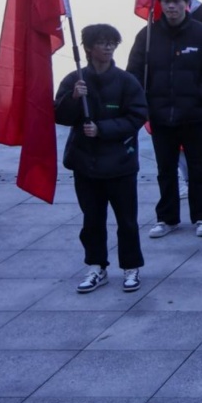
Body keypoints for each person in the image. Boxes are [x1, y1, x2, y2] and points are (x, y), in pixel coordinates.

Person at [126, 0, 202, 239]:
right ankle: (167, 218)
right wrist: (144, 103)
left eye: (177, 1)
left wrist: (200, 95)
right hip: (160, 116)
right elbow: (134, 72)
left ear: (186, 3)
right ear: (160, 4)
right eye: (167, 2)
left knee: (198, 168)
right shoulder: (147, 36)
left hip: (195, 116)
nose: (172, 7)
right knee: (165, 170)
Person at [54, 24, 149, 294]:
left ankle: (131, 267)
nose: (108, 48)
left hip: (120, 165)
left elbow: (137, 116)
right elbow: (59, 115)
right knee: (92, 220)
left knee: (127, 221)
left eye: (112, 43)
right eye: (102, 43)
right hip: (86, 164)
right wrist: (73, 98)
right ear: (88, 48)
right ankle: (96, 266)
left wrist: (102, 129)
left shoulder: (126, 81)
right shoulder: (74, 80)